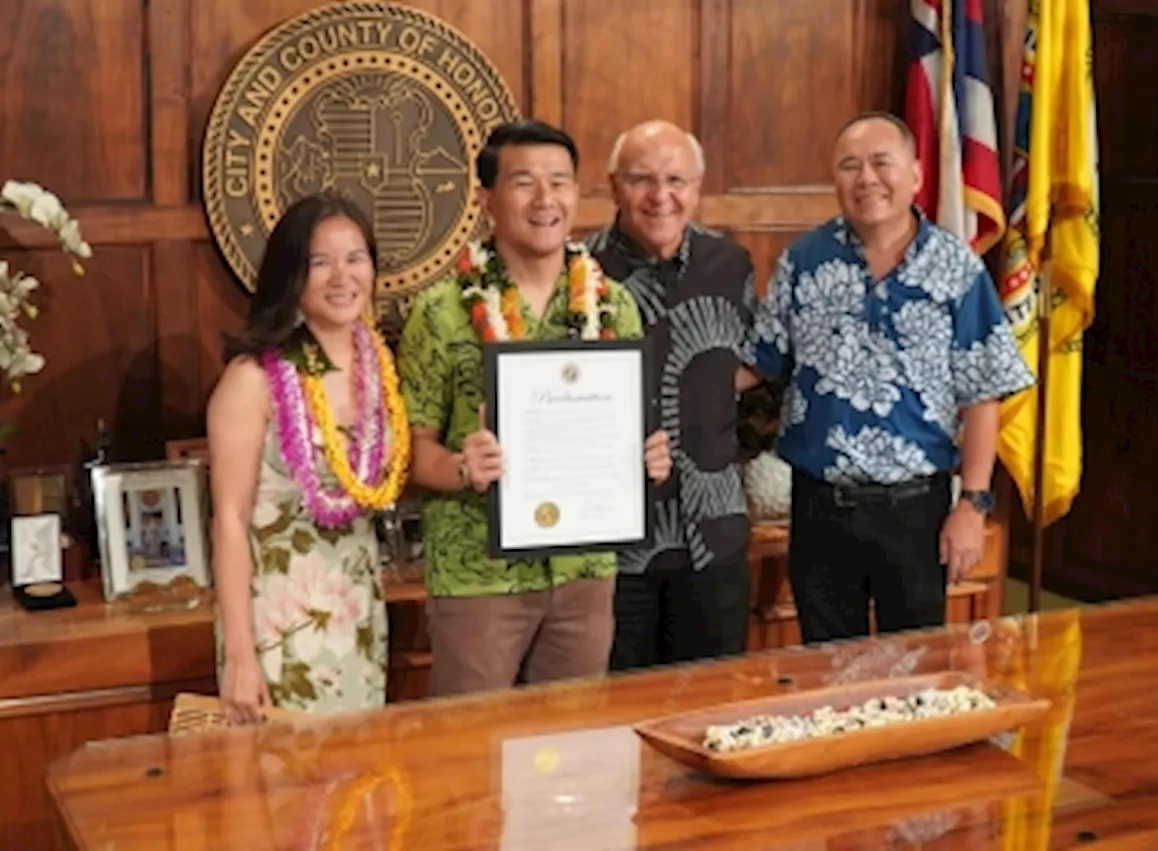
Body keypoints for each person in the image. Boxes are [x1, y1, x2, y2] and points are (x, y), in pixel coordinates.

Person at [396, 119, 673, 697]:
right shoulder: (440, 310)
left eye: (561, 182)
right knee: (473, 753)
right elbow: (410, 454)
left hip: (586, 572)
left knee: (573, 757)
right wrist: (460, 467)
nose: (546, 200)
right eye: (525, 182)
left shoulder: (612, 303)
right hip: (478, 575)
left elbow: (628, 429)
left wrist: (647, 456)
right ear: (487, 200)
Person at [739, 111, 1034, 642]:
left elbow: (984, 391)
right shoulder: (803, 261)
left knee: (915, 671)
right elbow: (761, 362)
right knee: (826, 673)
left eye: (882, 163)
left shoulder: (955, 267)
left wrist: (973, 504)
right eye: (850, 166)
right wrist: (665, 387)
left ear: (916, 174)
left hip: (915, 511)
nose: (866, 178)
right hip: (819, 507)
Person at [208, 192, 410, 723]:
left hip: (358, 611)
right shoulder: (252, 379)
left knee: (357, 789)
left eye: (355, 257)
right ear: (292, 275)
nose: (342, 276)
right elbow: (228, 519)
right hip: (278, 622)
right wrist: (240, 653)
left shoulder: (380, 369)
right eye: (320, 262)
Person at [584, 120, 755, 670]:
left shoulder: (731, 265)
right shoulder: (577, 273)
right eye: (642, 180)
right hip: (617, 548)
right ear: (613, 186)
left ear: (698, 185)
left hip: (715, 534)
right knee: (617, 720)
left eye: (677, 179)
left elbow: (756, 366)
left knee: (711, 710)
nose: (662, 197)